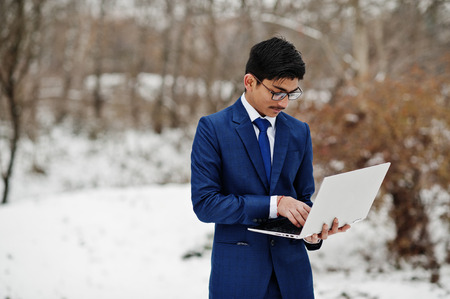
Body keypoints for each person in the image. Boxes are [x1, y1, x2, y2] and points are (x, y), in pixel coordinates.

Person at [190, 36, 350, 299]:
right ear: (250, 82)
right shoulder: (213, 128)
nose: (284, 103)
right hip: (237, 276)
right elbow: (206, 205)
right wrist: (275, 204)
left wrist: (311, 232)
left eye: (291, 94)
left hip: (293, 278)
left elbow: (302, 200)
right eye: (276, 92)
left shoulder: (299, 132)